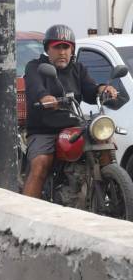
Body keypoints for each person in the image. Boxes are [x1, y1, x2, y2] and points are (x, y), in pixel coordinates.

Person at [22, 24, 119, 198]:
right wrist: (45, 98)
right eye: (57, 47)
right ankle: (24, 213)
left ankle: (115, 194)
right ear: (47, 49)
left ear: (72, 49)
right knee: (40, 164)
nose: (62, 52)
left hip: (74, 126)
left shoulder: (78, 69)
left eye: (66, 47)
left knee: (105, 145)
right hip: (44, 130)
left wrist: (102, 89)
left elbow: (90, 89)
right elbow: (35, 87)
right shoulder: (35, 67)